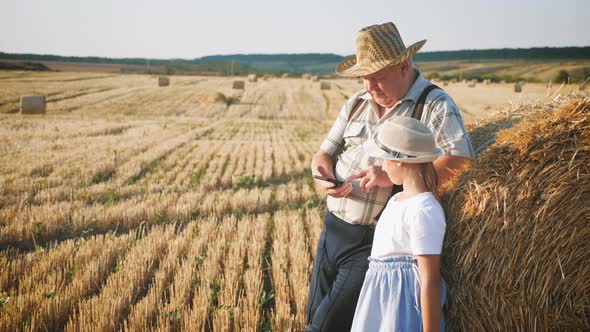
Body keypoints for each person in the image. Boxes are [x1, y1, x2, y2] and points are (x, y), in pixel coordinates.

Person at [306, 22, 474, 331]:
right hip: (332, 232)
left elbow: (460, 159)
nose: (369, 87)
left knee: (322, 327)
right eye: (364, 79)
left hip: (371, 242)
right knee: (316, 317)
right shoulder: (356, 102)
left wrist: (398, 180)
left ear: (404, 65)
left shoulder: (434, 104)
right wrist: (323, 175)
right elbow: (324, 153)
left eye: (378, 78)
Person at [350, 116, 447, 331]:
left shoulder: (424, 210)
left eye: (384, 159)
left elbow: (430, 278)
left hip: (401, 306)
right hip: (380, 299)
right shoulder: (396, 199)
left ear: (399, 160)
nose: (382, 165)